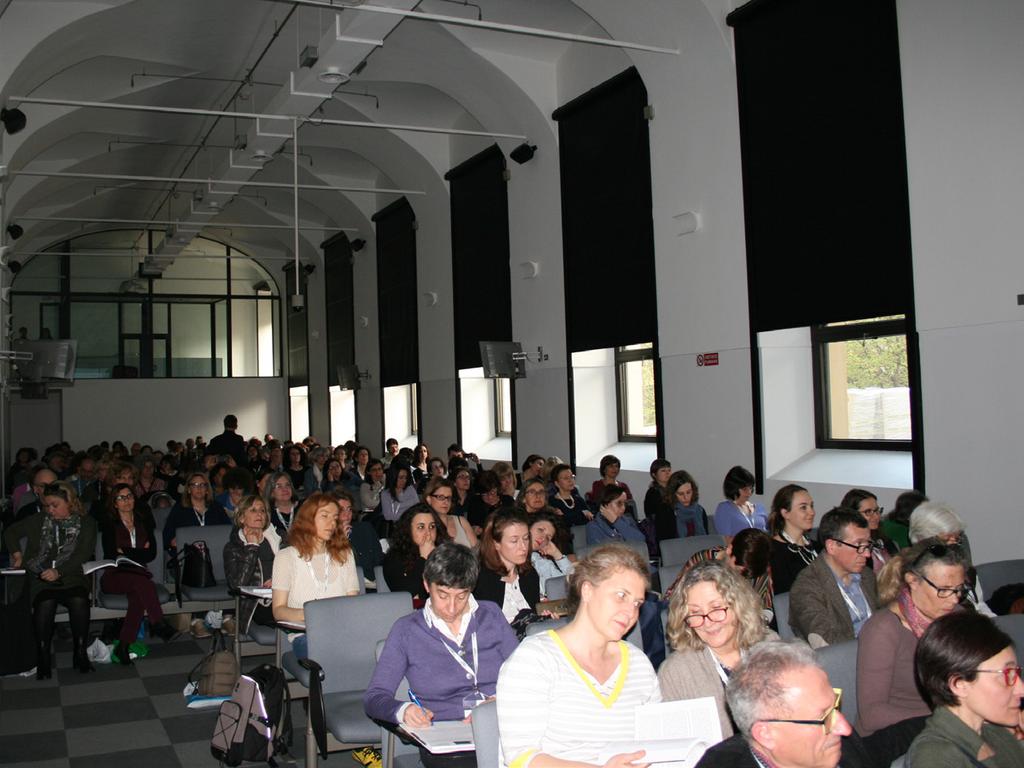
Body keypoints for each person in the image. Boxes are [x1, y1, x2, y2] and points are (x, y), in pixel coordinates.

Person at [497, 543, 661, 767]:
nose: (630, 612)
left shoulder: (638, 664)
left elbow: (656, 744)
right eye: (621, 595)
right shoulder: (535, 660)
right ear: (587, 590)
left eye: (637, 603)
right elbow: (521, 758)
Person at [364, 543, 519, 768]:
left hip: (502, 726)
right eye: (443, 595)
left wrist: (500, 701)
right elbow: (374, 698)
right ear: (427, 585)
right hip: (448, 741)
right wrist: (404, 710)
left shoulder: (491, 615)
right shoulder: (407, 630)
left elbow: (525, 678)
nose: (452, 607)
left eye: (462, 596)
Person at [696, 641, 923, 768]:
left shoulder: (835, 741)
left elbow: (880, 747)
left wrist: (944, 718)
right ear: (766, 734)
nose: (843, 727)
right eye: (823, 716)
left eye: (835, 707)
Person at [856, 538, 968, 736]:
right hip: (897, 734)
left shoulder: (958, 617)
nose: (954, 599)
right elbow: (872, 714)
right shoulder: (883, 629)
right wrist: (950, 715)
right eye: (943, 590)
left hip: (947, 725)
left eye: (959, 589)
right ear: (913, 581)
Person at [660, 561, 777, 740]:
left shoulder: (771, 645)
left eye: (716, 608)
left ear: (739, 606)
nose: (708, 621)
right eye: (696, 613)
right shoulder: (675, 673)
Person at [4, 481, 98, 678]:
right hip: (41, 574)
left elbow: (82, 554)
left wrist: (60, 572)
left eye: (55, 505)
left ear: (70, 502)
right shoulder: (39, 520)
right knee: (45, 602)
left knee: (79, 600)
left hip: (71, 574)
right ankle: (43, 655)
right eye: (47, 505)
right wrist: (17, 554)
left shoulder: (87, 523)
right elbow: (10, 532)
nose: (50, 510)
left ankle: (80, 652)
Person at [908, 611, 1024, 768]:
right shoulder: (935, 758)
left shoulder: (997, 733)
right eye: (1006, 675)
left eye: (1017, 673)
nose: (1021, 689)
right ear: (959, 684)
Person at [271, 492, 360, 657]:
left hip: (342, 631)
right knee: (331, 654)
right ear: (308, 519)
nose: (331, 523)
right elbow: (278, 610)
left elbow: (351, 603)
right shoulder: (286, 557)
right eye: (324, 516)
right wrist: (314, 615)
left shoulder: (345, 553)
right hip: (306, 635)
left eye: (334, 518)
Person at [100, 483, 179, 663]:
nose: (127, 501)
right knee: (144, 584)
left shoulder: (144, 522)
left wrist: (125, 551)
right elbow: (111, 554)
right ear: (114, 503)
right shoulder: (109, 525)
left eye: (129, 496)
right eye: (121, 497)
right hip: (114, 576)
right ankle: (158, 623)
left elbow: (151, 554)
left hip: (138, 575)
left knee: (138, 597)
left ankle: (123, 647)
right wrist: (134, 552)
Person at [789, 507, 879, 645]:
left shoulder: (866, 575)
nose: (867, 554)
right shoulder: (806, 587)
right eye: (859, 545)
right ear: (832, 546)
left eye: (867, 545)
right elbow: (827, 643)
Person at [910, 501, 991, 614]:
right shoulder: (914, 574)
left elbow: (979, 604)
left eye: (956, 539)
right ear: (921, 539)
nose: (953, 545)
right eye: (946, 539)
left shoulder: (964, 566)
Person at [224, 494, 282, 634]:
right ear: (242, 517)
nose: (259, 514)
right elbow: (238, 585)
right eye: (253, 510)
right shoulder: (233, 548)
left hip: (281, 594)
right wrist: (252, 547)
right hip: (255, 603)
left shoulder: (277, 539)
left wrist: (279, 581)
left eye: (262, 510)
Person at [473, 508, 540, 624]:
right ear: (496, 544)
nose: (523, 547)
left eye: (526, 538)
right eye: (514, 541)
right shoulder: (479, 580)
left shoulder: (530, 574)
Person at [383, 504, 451, 601]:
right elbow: (406, 594)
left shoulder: (445, 553)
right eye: (421, 527)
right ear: (408, 530)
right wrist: (423, 559)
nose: (428, 533)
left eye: (432, 526)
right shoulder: (394, 557)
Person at [768, 484, 818, 595]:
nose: (812, 512)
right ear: (785, 513)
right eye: (803, 507)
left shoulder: (818, 547)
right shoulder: (773, 552)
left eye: (811, 506)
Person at [162, 471, 231, 550]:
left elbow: (228, 530)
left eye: (202, 485)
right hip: (189, 555)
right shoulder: (179, 509)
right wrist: (172, 542)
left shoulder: (216, 507)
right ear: (188, 489)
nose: (199, 488)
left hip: (215, 550)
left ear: (207, 490)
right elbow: (166, 537)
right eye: (195, 485)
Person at [333, 488, 383, 584]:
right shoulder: (328, 538)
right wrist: (342, 541)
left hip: (374, 584)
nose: (347, 515)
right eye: (341, 510)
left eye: (349, 509)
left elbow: (379, 559)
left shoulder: (365, 529)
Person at [840, 488, 897, 571]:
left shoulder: (886, 543)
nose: (877, 516)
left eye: (877, 510)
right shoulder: (850, 549)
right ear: (852, 514)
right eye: (868, 512)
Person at [712, 466, 768, 536]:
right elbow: (725, 539)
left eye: (750, 488)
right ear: (733, 488)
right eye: (745, 489)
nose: (749, 492)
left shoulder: (760, 508)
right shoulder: (725, 508)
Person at [424, 476, 477, 547]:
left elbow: (476, 550)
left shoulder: (461, 521)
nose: (446, 502)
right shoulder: (424, 526)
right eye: (441, 497)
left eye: (448, 498)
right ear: (429, 499)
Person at [530, 511, 574, 598]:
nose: (543, 537)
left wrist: (557, 554)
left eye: (548, 537)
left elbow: (573, 583)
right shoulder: (512, 557)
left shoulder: (542, 562)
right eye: (540, 530)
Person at [666, 469, 708, 538]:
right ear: (673, 494)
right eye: (680, 494)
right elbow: (666, 545)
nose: (686, 497)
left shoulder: (700, 510)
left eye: (688, 492)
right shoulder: (667, 514)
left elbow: (706, 540)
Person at [467, 470, 507, 534]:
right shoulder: (474, 502)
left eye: (492, 492)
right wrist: (473, 529)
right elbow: (471, 523)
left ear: (497, 488)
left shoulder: (507, 501)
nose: (490, 497)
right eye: (485, 494)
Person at [263, 470, 299, 539]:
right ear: (271, 492)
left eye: (287, 485)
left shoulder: (303, 508)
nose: (285, 489)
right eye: (279, 486)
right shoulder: (267, 514)